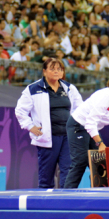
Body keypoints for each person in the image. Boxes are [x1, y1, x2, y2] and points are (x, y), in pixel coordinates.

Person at [15, 59, 84, 189]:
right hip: (47, 137)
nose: (56, 71)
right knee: (46, 176)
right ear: (44, 71)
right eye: (52, 69)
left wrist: (77, 128)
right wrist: (30, 126)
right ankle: (45, 205)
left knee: (68, 172)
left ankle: (65, 203)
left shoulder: (69, 88)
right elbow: (20, 110)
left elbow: (80, 109)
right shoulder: (33, 89)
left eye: (59, 69)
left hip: (67, 138)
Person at [64, 72, 109, 189]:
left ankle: (98, 195)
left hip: (91, 129)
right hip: (78, 125)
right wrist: (100, 143)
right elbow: (90, 122)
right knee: (80, 161)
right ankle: (66, 196)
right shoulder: (107, 96)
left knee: (100, 163)